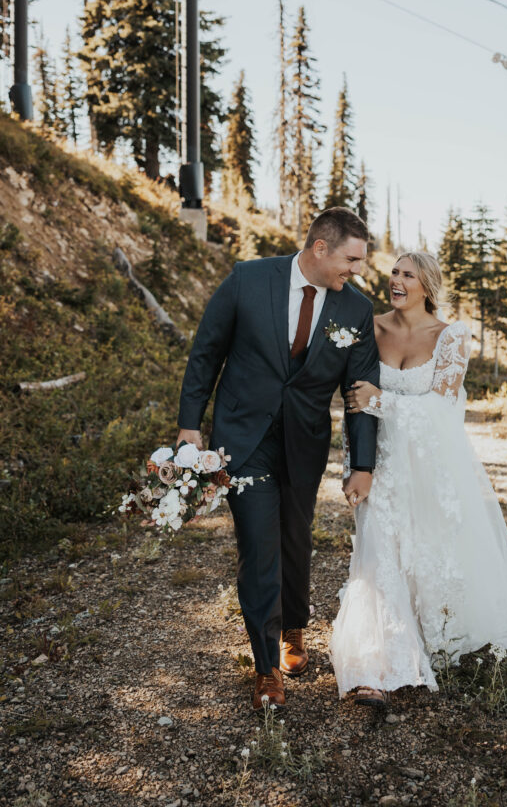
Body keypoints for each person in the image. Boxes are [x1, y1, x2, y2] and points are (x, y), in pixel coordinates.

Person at [176, 207, 380, 710]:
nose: (356, 271)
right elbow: (207, 352)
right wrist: (188, 426)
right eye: (351, 260)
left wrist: (364, 464)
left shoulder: (355, 309)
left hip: (305, 441)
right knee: (258, 544)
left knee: (295, 538)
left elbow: (359, 392)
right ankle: (266, 666)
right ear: (319, 248)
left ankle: (293, 628)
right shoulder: (248, 278)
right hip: (242, 437)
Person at [330, 251, 507, 705]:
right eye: (395, 272)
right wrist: (358, 462)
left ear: (428, 286)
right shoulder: (370, 327)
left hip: (430, 465)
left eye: (408, 276)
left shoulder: (450, 337)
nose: (396, 281)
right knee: (379, 557)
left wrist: (383, 400)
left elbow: (441, 408)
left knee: (427, 551)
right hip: (378, 464)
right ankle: (376, 666)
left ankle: (430, 631)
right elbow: (351, 394)